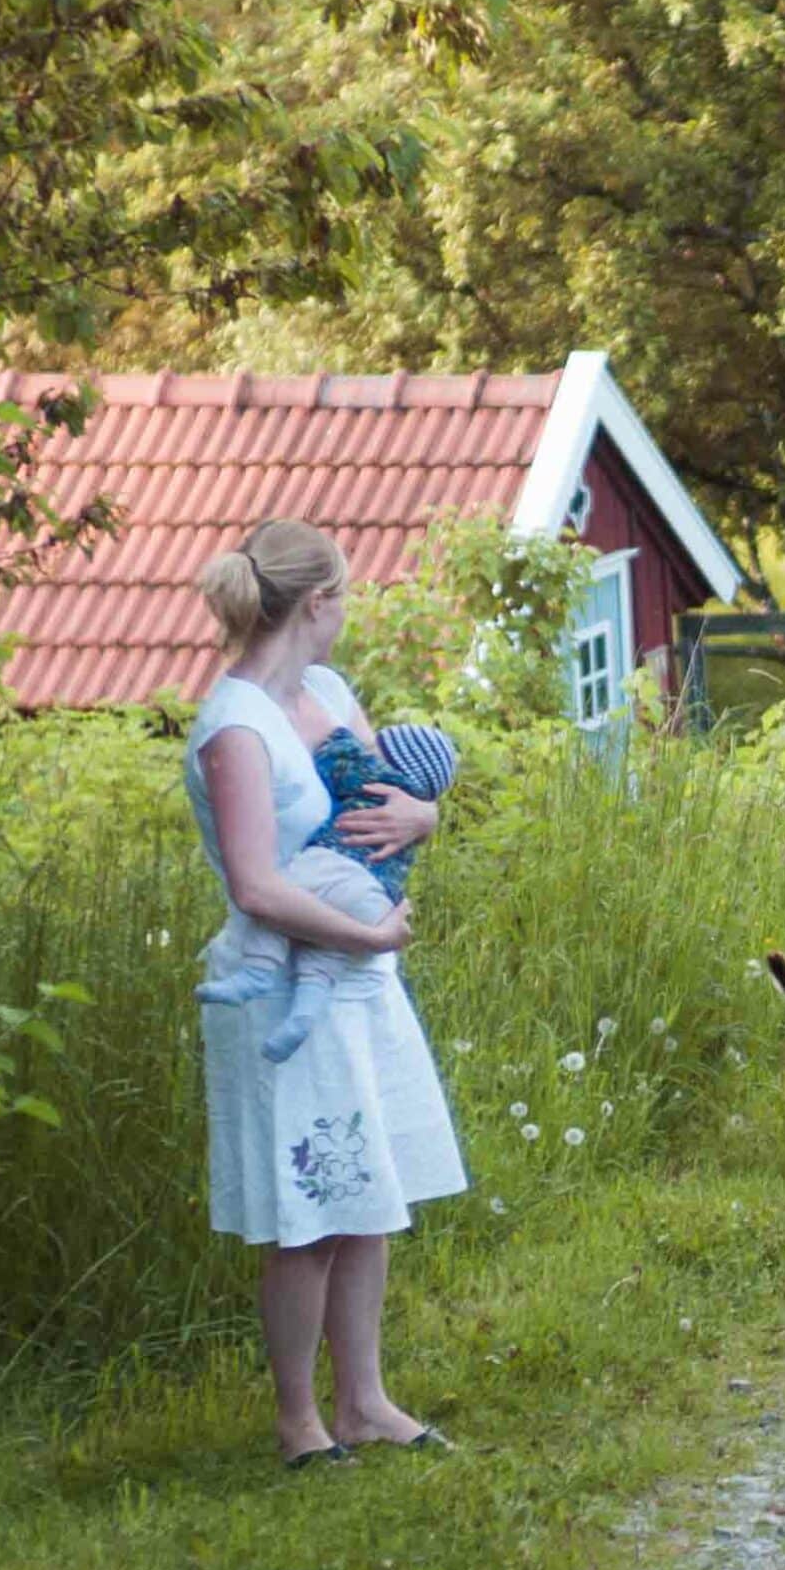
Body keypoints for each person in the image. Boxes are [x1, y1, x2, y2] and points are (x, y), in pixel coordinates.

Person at [185, 520, 467, 1467]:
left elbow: (386, 795)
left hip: (359, 979)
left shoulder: (331, 694)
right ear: (317, 603)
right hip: (280, 994)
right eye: (346, 596)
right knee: (307, 1208)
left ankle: (367, 1401)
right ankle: (299, 1418)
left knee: (367, 1194)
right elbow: (258, 884)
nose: (349, 613)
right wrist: (369, 931)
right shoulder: (236, 727)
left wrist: (425, 811)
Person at [194, 719, 460, 1063]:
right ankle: (303, 1015)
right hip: (377, 899)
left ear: (391, 756)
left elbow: (331, 763)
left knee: (283, 897)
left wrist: (336, 740)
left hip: (337, 866)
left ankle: (256, 971)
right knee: (326, 955)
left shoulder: (370, 774)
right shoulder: (411, 804)